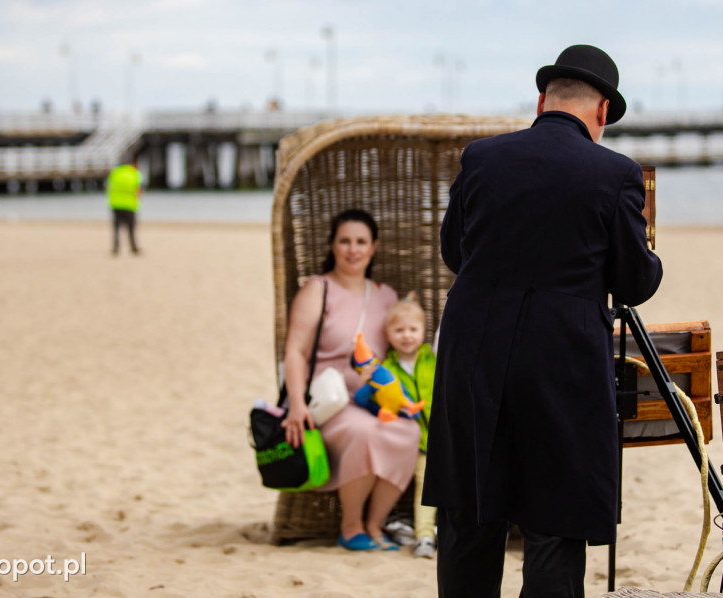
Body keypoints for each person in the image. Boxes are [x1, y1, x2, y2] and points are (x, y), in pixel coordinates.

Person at [423, 45, 664, 597]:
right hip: (561, 356)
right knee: (556, 517)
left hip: (474, 346)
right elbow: (633, 283)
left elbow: (454, 253)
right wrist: (648, 254)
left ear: (542, 100)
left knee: (468, 508)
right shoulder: (617, 174)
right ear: (602, 111)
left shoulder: (481, 157)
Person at [281, 209, 421, 552]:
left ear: (373, 248)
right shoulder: (318, 289)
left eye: (361, 242)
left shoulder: (386, 295)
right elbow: (295, 350)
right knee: (364, 431)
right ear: (332, 245)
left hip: (371, 401)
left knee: (410, 431)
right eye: (345, 241)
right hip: (327, 404)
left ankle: (375, 523)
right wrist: (296, 404)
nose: (353, 249)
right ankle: (351, 525)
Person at [379, 292, 438, 559]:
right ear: (388, 335)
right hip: (414, 444)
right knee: (424, 485)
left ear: (423, 331)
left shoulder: (433, 360)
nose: (406, 335)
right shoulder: (387, 369)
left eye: (413, 329)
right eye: (399, 330)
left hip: (443, 437)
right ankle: (424, 536)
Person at [107, 161, 142, 255]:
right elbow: (138, 191)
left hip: (115, 204)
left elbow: (109, 188)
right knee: (131, 228)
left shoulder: (115, 173)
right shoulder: (135, 173)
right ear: (132, 164)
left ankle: (115, 247)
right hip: (130, 205)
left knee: (116, 227)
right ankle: (133, 248)